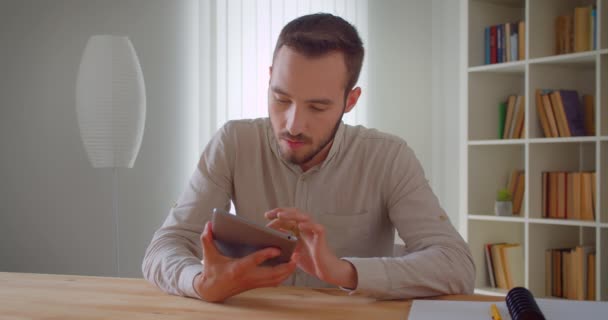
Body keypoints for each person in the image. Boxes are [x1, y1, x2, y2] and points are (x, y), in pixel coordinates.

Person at [142, 13, 474, 302]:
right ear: (269, 77)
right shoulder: (233, 142)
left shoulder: (388, 157)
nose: (293, 125)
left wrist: (345, 272)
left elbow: (456, 265)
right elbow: (165, 246)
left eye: (317, 107)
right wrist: (201, 283)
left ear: (351, 100)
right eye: (281, 99)